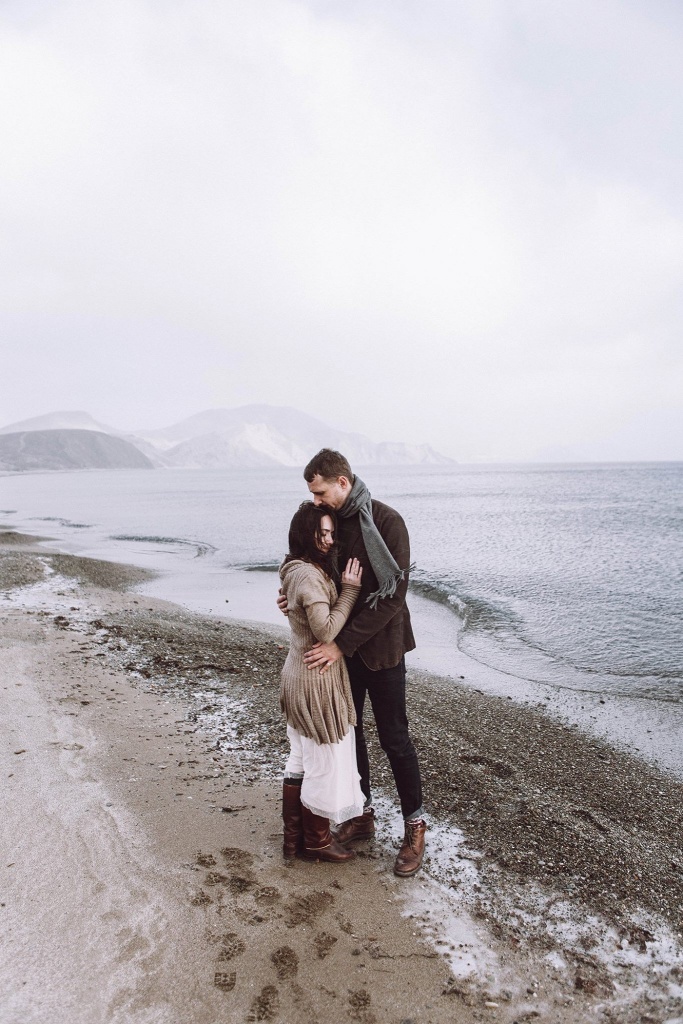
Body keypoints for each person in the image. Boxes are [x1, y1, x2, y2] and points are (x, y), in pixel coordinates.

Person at [278, 449, 426, 878]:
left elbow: (393, 597)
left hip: (381, 649)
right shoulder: (330, 521)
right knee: (351, 733)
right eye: (313, 494)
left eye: (321, 492)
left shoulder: (387, 521)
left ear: (342, 482)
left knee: (395, 739)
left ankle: (415, 826)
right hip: (340, 652)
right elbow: (317, 574)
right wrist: (294, 600)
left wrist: (339, 645)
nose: (316, 501)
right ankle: (362, 814)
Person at [279, 500, 365, 863]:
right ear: (305, 535)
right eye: (322, 533)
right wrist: (350, 590)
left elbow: (301, 606)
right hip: (314, 680)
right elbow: (326, 630)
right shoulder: (309, 576)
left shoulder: (293, 569)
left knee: (300, 758)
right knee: (323, 761)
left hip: (297, 672)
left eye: (331, 533)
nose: (329, 540)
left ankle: (294, 840)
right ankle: (315, 841)